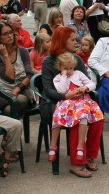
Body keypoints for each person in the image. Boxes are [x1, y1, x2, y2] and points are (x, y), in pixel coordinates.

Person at [40, 26, 104, 177]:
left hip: (79, 100)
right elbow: (48, 90)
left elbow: (85, 80)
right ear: (62, 41)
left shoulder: (76, 59)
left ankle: (88, 155)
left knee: (98, 118)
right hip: (54, 103)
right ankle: (76, 164)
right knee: (75, 118)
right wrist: (66, 96)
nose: (77, 42)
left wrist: (84, 89)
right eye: (73, 40)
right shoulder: (49, 62)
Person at [0, 22, 35, 117]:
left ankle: (9, 123)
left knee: (12, 108)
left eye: (11, 32)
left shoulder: (22, 51)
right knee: (20, 100)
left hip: (23, 90)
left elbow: (30, 74)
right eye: (5, 34)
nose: (10, 36)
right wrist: (5, 55)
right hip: (3, 93)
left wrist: (18, 88)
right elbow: (10, 78)